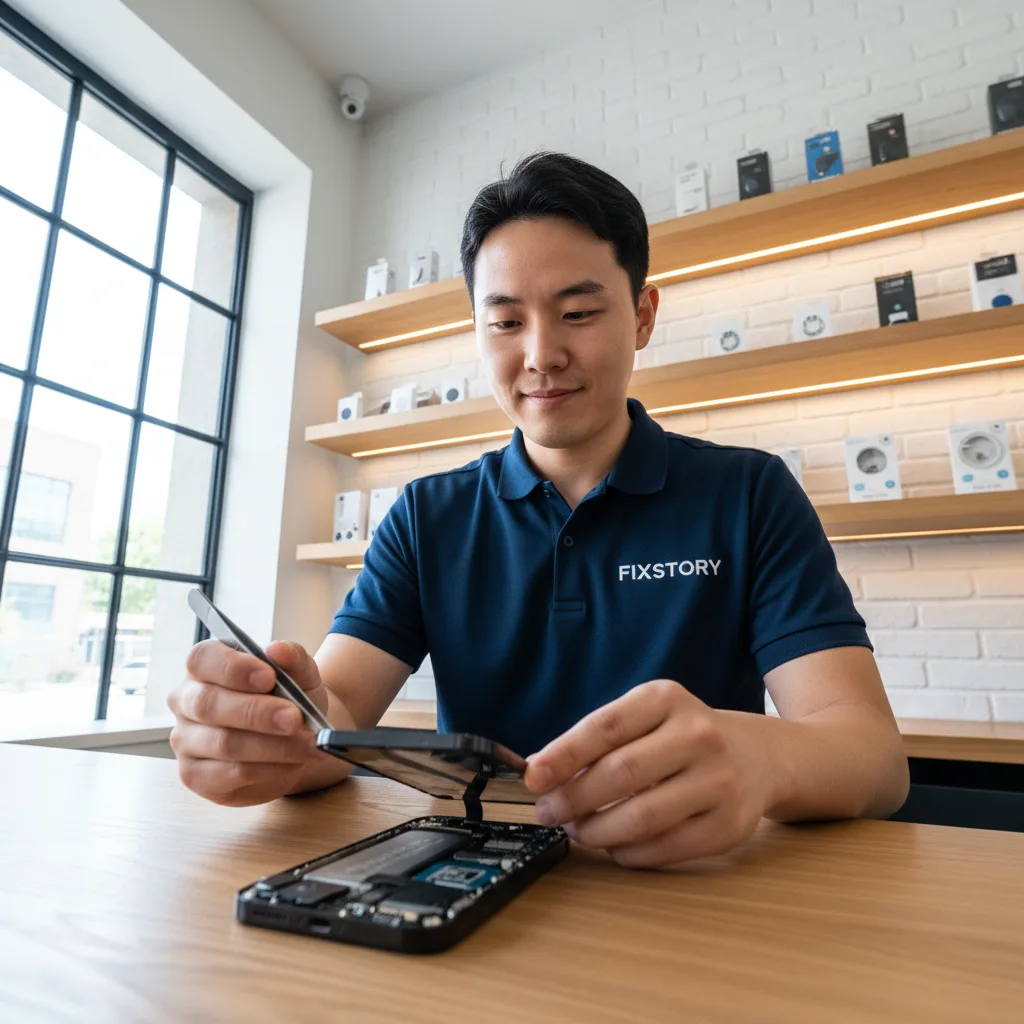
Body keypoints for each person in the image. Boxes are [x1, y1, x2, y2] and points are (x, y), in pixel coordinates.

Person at [168, 152, 909, 868]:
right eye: (506, 322)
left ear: (643, 315)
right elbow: (341, 722)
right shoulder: (428, 517)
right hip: (470, 885)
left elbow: (871, 758)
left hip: (689, 889)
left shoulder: (749, 495)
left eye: (579, 311)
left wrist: (762, 757)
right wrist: (268, 740)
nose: (542, 354)